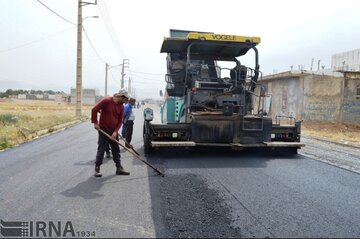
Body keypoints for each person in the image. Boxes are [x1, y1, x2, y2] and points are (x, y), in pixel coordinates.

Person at [91, 89, 130, 177]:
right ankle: (97, 168)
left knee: (116, 149)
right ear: (121, 96)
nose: (124, 102)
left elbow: (120, 121)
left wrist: (115, 132)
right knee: (102, 149)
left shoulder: (121, 106)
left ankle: (119, 168)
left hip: (113, 131)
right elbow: (94, 110)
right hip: (103, 130)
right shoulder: (107, 101)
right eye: (124, 100)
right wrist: (95, 123)